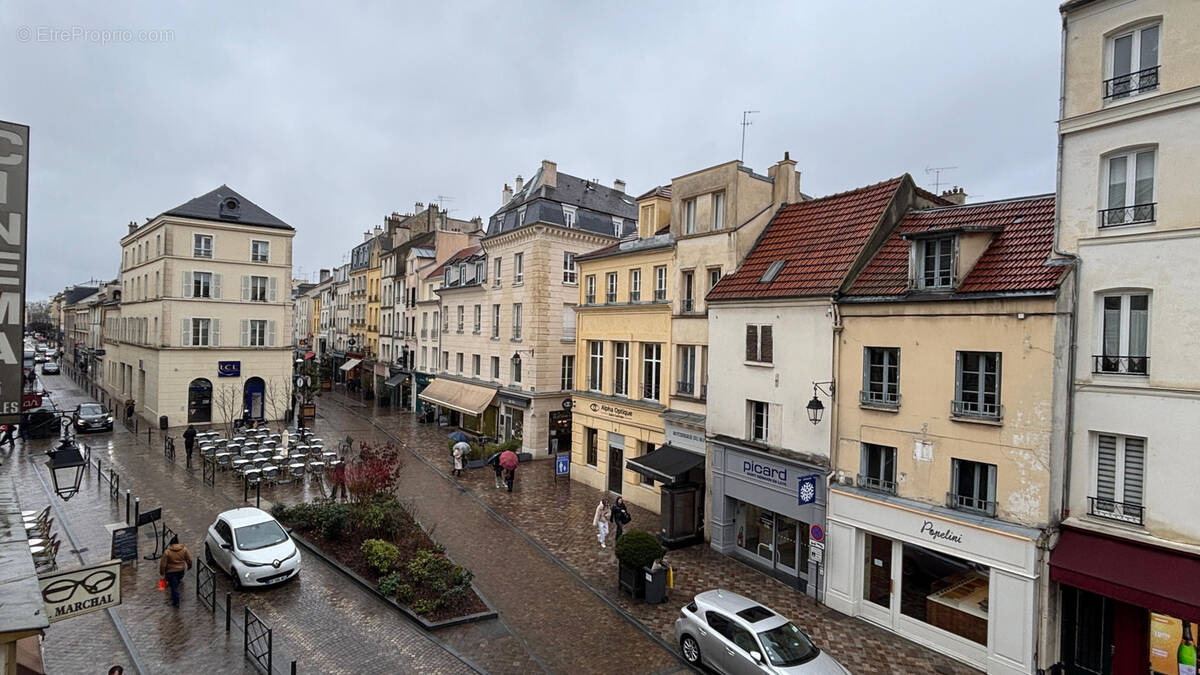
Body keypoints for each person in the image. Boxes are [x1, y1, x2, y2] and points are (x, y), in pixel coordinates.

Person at [159, 535, 193, 608]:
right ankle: (175, 597)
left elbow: (163, 564)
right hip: (180, 571)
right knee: (176, 585)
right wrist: (189, 566)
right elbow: (189, 560)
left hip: (171, 572)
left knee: (174, 587)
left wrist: (162, 572)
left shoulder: (167, 552)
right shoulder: (184, 550)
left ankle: (176, 602)